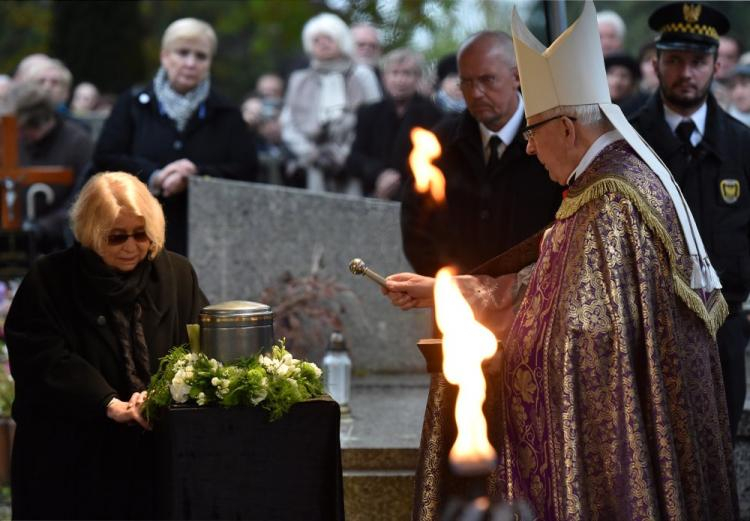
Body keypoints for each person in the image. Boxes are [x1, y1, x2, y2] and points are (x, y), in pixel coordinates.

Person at [384, 2, 736, 519]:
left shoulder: (610, 200)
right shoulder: (610, 182)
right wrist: (446, 291)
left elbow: (575, 332)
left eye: (534, 131)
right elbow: (545, 285)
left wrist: (479, 330)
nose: (528, 147)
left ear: (568, 129)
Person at [4, 171, 209, 519]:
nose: (131, 247)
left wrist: (159, 396)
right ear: (92, 232)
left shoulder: (175, 274)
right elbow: (42, 359)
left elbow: (198, 347)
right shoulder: (50, 280)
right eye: (117, 237)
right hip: (73, 466)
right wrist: (107, 402)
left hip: (155, 461)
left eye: (141, 235)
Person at [630, 1, 750, 440]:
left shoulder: (741, 145)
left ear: (716, 65)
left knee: (718, 452)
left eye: (698, 61)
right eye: (674, 60)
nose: (686, 72)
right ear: (655, 63)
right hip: (645, 331)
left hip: (724, 329)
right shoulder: (627, 141)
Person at [401, 31, 562, 277]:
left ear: (517, 77)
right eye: (466, 82)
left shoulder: (552, 141)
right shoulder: (441, 143)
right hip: (458, 302)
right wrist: (445, 285)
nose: (475, 93)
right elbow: (416, 221)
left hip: (531, 301)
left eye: (488, 80)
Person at [94, 17, 258, 255]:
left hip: (205, 236)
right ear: (165, 56)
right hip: (136, 229)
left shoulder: (226, 112)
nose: (191, 63)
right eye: (182, 53)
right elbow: (106, 156)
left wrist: (196, 173)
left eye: (201, 56)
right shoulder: (133, 104)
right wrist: (155, 175)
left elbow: (246, 169)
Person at [280, 12, 381, 195]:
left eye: (328, 38)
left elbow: (375, 119)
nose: (322, 43)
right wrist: (311, 154)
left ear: (341, 39)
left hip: (353, 166)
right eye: (316, 40)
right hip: (310, 166)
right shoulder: (299, 79)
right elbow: (288, 124)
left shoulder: (362, 75)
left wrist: (344, 155)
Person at [345, 48, 442, 200]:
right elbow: (355, 157)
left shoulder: (434, 115)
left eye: (407, 73)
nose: (400, 80)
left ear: (417, 77)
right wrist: (379, 174)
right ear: (384, 77)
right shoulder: (368, 113)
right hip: (374, 193)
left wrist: (397, 180)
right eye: (395, 73)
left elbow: (438, 160)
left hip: (416, 198)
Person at [12, 82, 94, 253]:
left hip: (61, 245)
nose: (26, 135)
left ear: (47, 119)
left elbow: (84, 198)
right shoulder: (10, 139)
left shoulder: (78, 142)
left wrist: (43, 227)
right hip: (12, 240)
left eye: (32, 129)